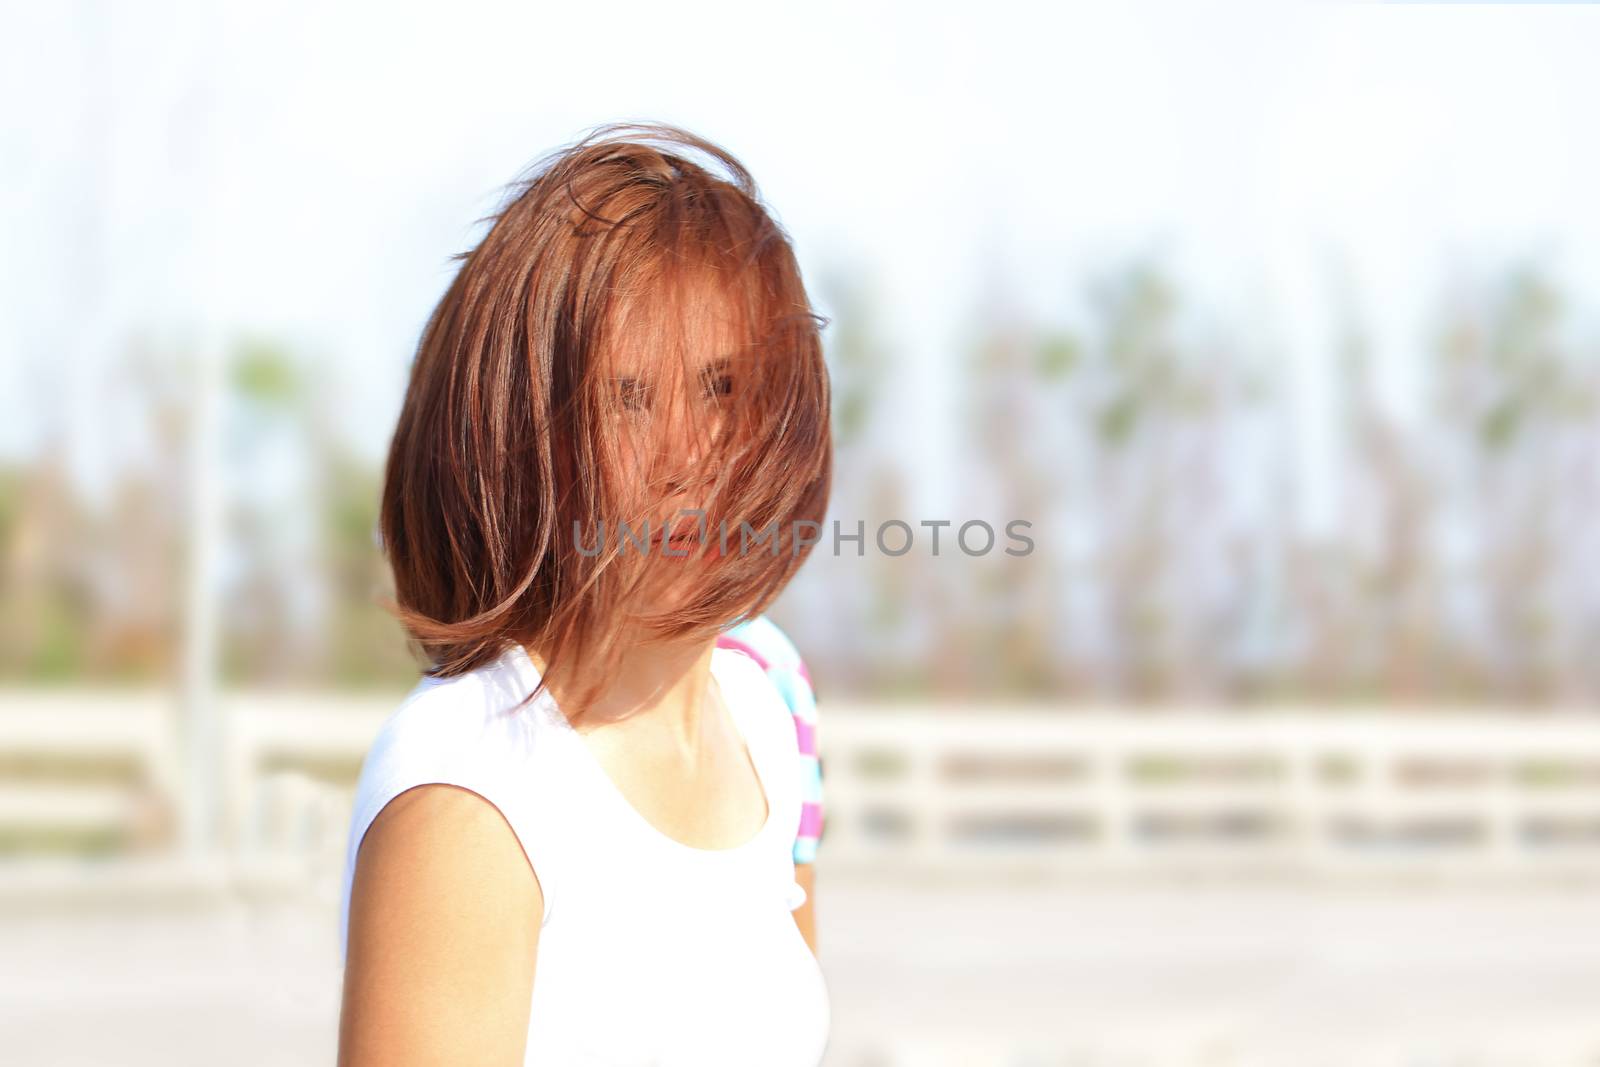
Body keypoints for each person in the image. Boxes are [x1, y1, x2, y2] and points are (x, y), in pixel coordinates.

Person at [336, 122, 834, 1067]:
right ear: (511, 432)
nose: (690, 460)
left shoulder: (769, 694)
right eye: (627, 396)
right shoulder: (473, 779)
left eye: (724, 388)